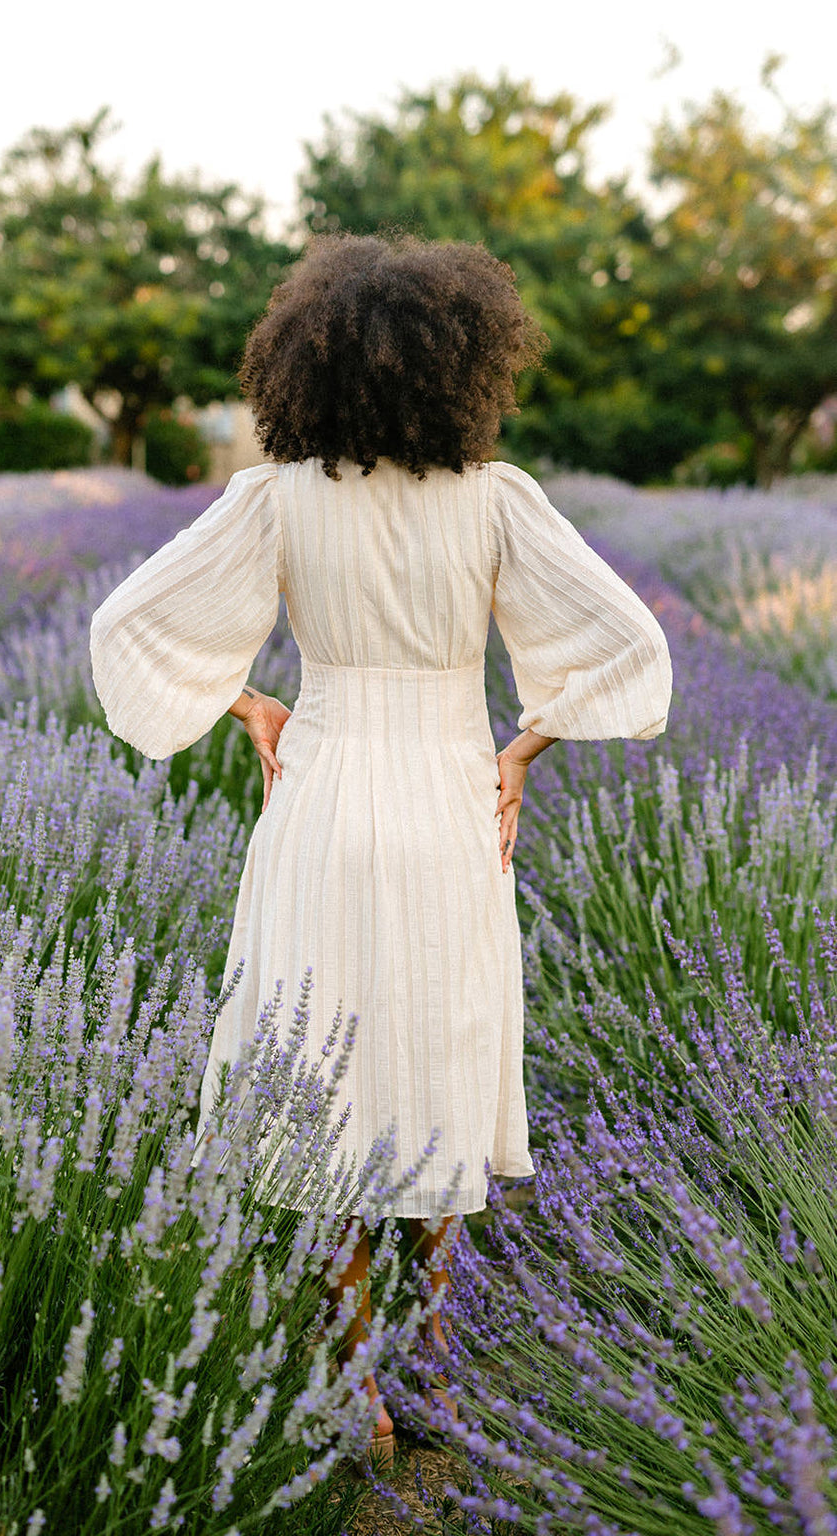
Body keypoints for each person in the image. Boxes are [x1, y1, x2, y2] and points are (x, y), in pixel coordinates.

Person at [90, 231, 672, 1466]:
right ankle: (442, 1366)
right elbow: (628, 645)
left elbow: (129, 624)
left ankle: (358, 1388)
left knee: (325, 1072)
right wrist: (524, 750)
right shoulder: (496, 500)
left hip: (322, 794)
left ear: (302, 369)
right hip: (449, 797)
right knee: (440, 1057)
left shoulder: (276, 499)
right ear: (464, 364)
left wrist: (248, 704)